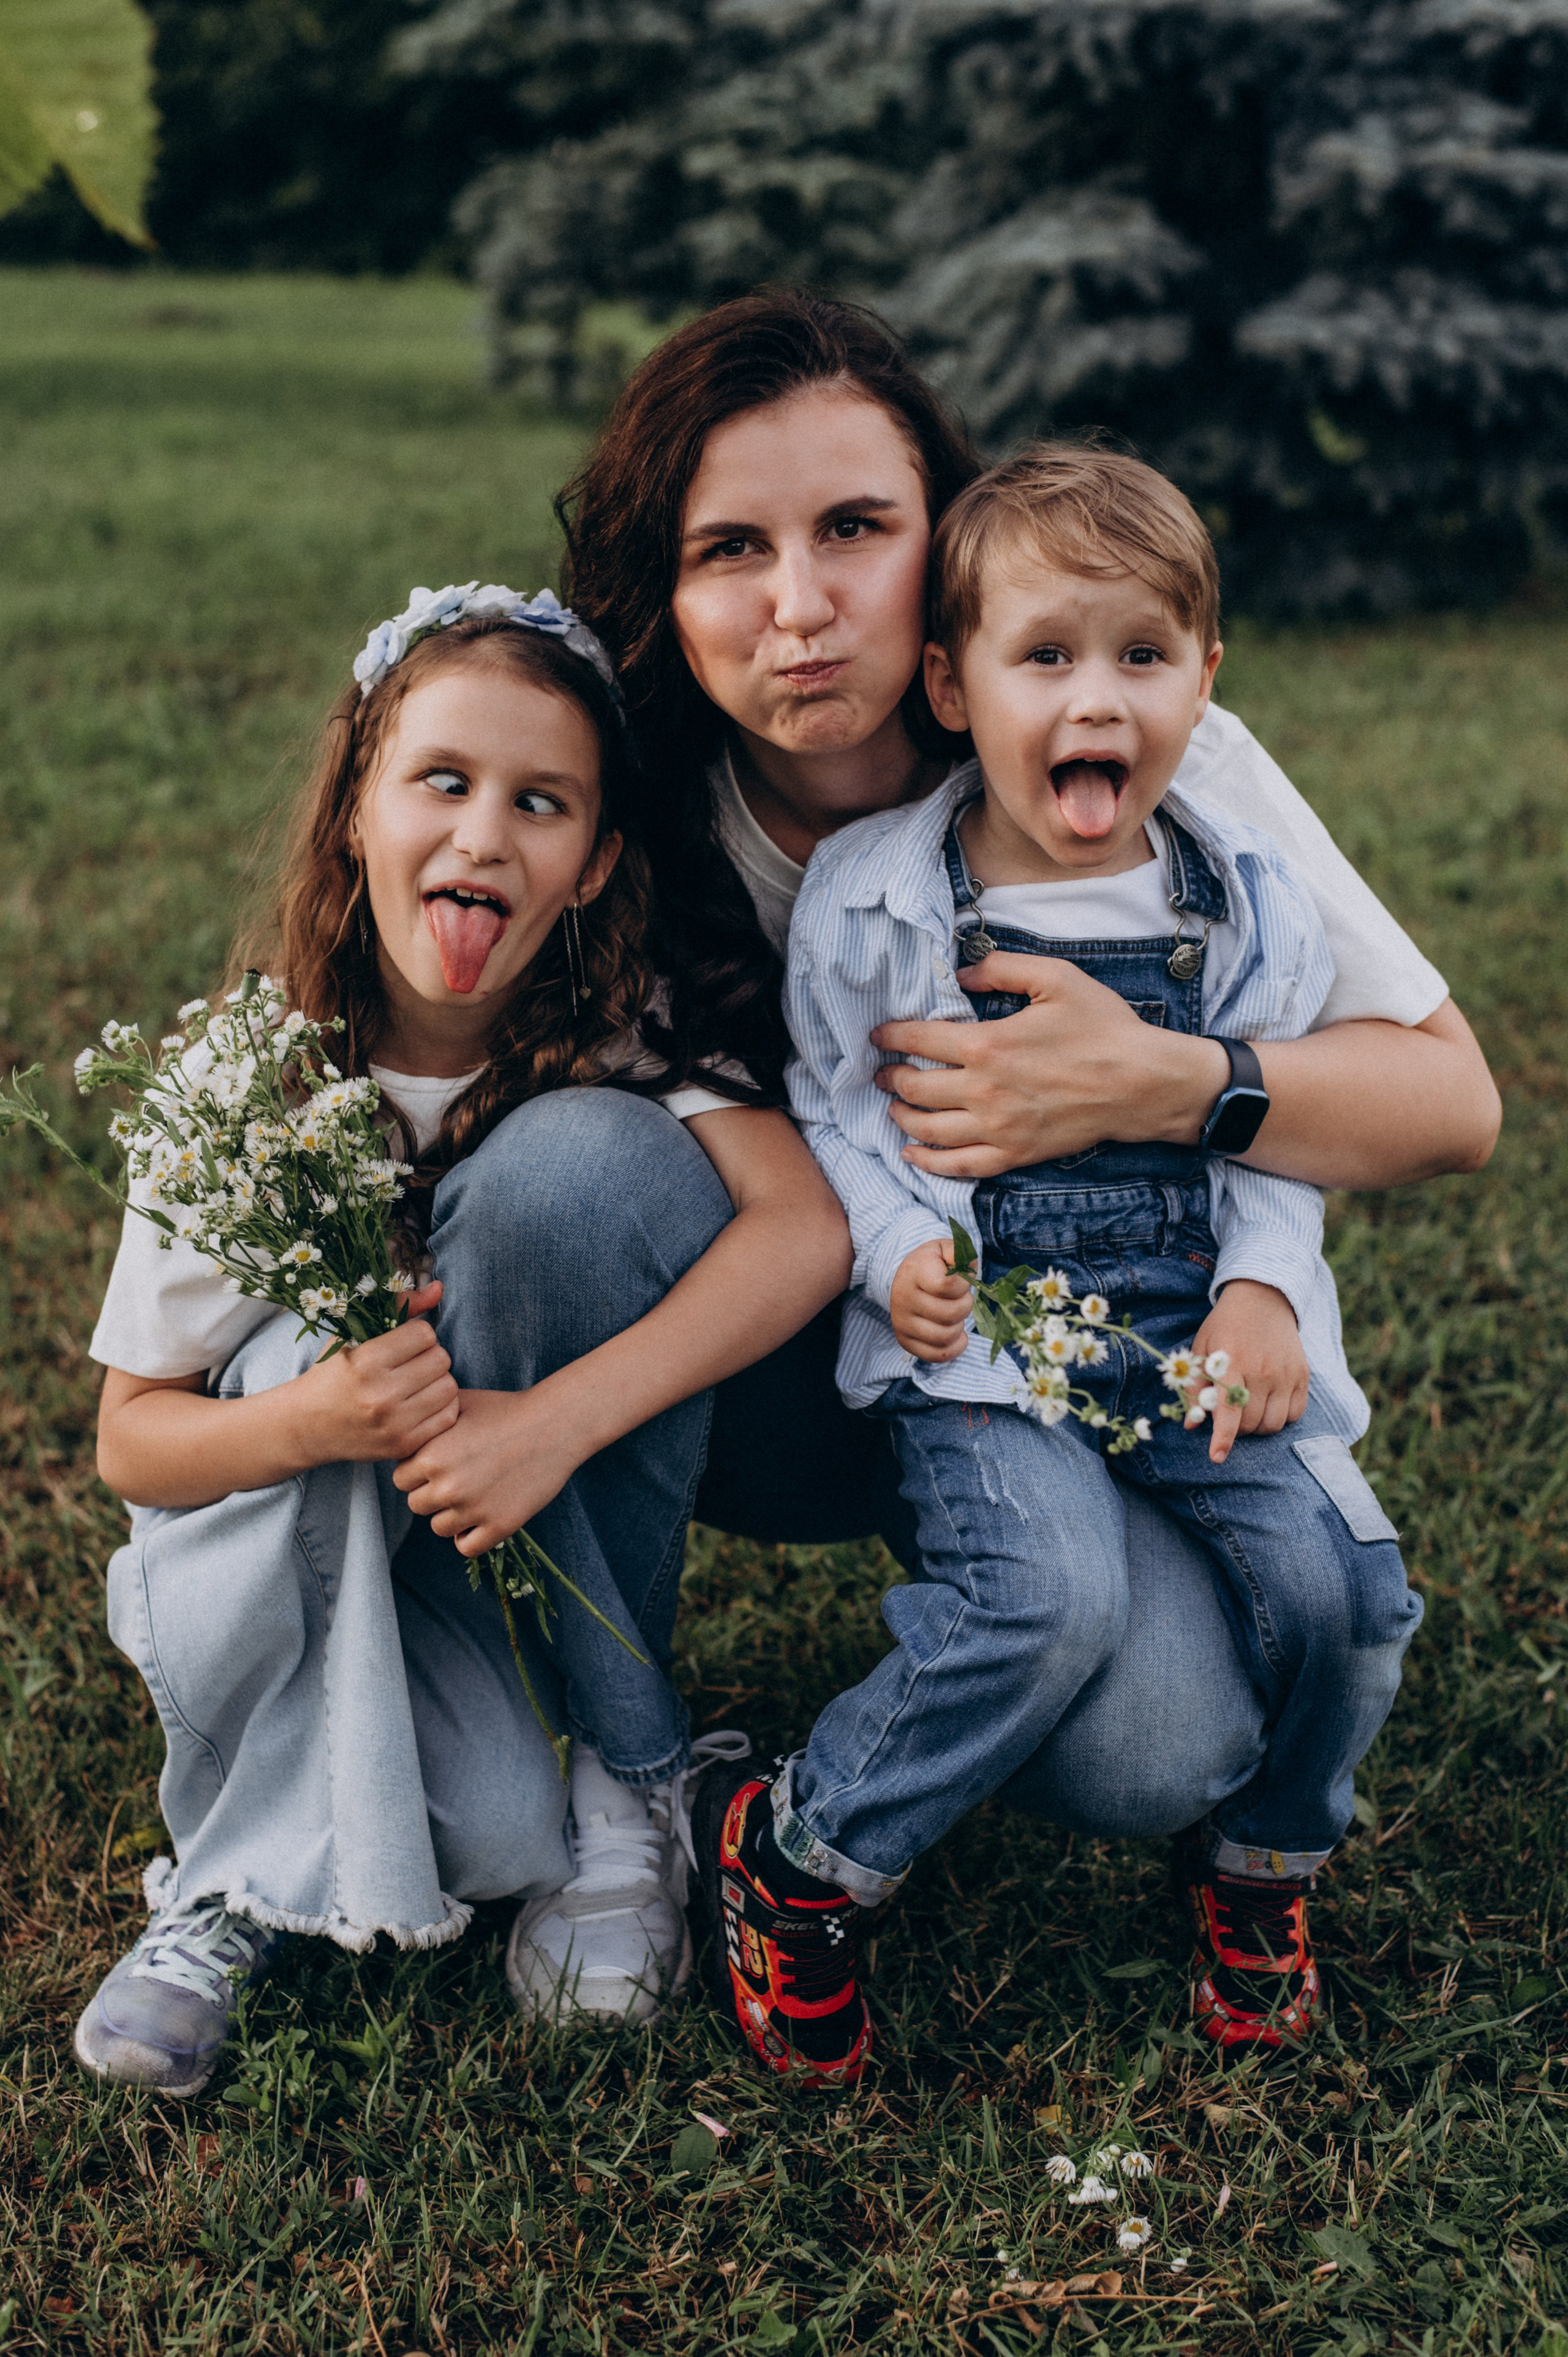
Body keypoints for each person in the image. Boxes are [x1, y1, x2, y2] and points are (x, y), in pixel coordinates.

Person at [542, 290, 1496, 2030]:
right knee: (570, 1182)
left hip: (1107, 1354)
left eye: (856, 528)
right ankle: (637, 1786)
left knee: (1168, 1745)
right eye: (728, 549)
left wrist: (1160, 1079)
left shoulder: (1151, 758)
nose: (801, 603)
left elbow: (1455, 1106)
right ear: (662, 596)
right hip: (814, 1359)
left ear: (944, 553)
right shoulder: (625, 804)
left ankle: (1141, 1756)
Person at [692, 443, 1423, 2088]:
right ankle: (801, 1861)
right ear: (952, 686)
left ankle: (1263, 1868)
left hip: (1191, 1331)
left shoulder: (1244, 902)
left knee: (1347, 1593)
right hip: (984, 1348)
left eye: (1142, 656)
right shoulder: (881, 900)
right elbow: (840, 1111)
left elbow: (1275, 1128)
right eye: (1047, 657)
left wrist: (1263, 1293)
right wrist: (896, 1259)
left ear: (1206, 679)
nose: (1097, 700)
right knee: (1044, 1599)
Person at [74, 584, 850, 2096]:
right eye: (441, 781)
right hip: (302, 1551)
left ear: (593, 862)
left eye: (538, 802)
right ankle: (226, 1889)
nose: (484, 835)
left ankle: (618, 1777)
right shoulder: (247, 1079)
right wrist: (313, 1419)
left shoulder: (623, 1025)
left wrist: (550, 1419)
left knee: (585, 1166)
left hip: (491, 1559)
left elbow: (805, 1232)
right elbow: (133, 1438)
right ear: (357, 807)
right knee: (304, 1334)